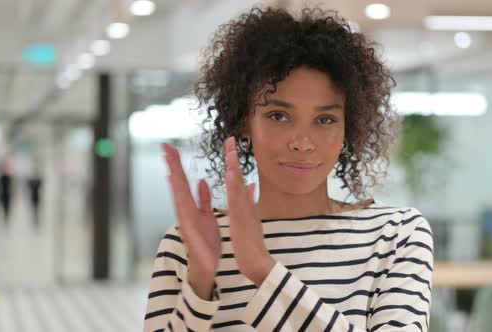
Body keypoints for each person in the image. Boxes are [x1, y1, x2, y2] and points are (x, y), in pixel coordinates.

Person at [144, 6, 433, 332]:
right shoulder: (189, 244)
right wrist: (199, 283)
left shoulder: (396, 234)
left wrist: (263, 270)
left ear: (347, 129)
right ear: (243, 123)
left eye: (325, 119)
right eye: (278, 116)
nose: (302, 142)